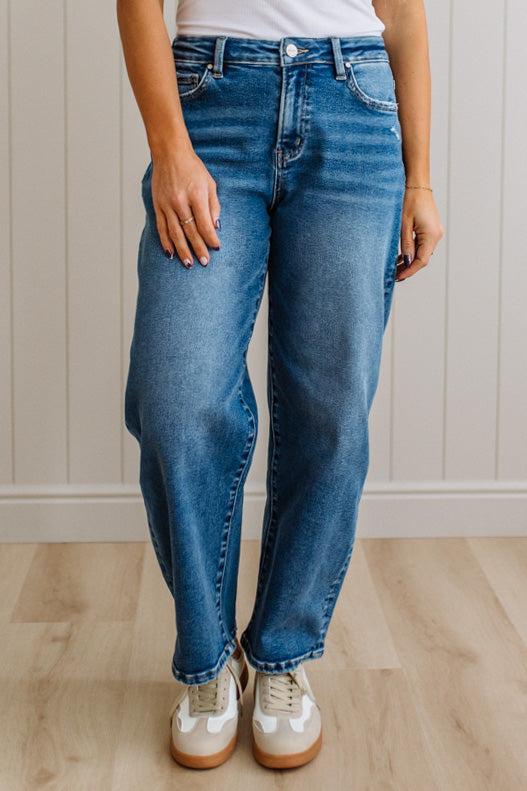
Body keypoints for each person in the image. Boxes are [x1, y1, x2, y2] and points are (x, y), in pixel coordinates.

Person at [118, 0, 444, 770]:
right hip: (212, 102)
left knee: (329, 413)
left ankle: (281, 656)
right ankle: (206, 665)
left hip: (354, 105)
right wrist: (169, 149)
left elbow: (401, 14)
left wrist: (420, 179)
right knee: (175, 400)